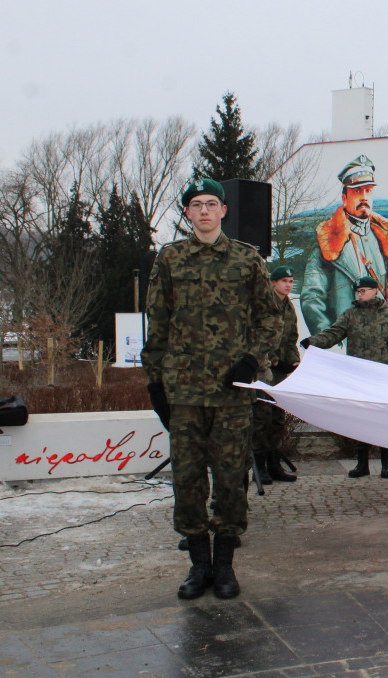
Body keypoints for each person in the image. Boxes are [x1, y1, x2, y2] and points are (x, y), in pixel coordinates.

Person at [142, 178, 282, 601]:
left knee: (229, 480)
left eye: (211, 204)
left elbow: (271, 320)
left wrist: (251, 360)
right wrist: (155, 383)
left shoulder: (246, 260)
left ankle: (224, 567)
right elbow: (158, 324)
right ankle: (198, 566)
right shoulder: (170, 259)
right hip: (183, 393)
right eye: (196, 205)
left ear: (223, 211)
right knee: (186, 481)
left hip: (231, 393)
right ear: (187, 213)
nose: (204, 211)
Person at [300, 154, 388, 355]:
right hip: (351, 348)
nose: (364, 197)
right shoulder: (327, 240)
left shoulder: (382, 235)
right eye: (357, 191)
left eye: (368, 191)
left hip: (385, 347)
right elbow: (311, 297)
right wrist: (329, 344)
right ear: (344, 198)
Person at [300, 275, 388, 478]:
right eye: (358, 291)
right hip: (358, 377)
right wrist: (312, 342)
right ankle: (362, 464)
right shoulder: (350, 314)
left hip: (382, 376)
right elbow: (333, 334)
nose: (360, 294)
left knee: (383, 420)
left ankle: (386, 464)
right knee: (360, 420)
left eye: (363, 290)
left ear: (375, 290)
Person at [251, 266, 301, 484]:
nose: (288, 285)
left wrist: (293, 359)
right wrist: (274, 360)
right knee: (261, 417)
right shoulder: (263, 303)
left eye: (290, 281)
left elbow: (291, 337)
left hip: (280, 371)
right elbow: (259, 336)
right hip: (263, 368)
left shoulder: (288, 307)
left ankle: (274, 465)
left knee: (276, 418)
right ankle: (259, 468)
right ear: (272, 283)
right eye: (283, 281)